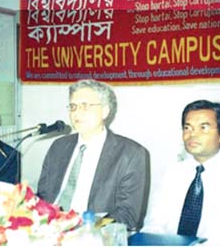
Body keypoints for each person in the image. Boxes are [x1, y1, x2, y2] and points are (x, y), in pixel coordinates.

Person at [37, 79, 150, 231]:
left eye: (85, 106)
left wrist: (81, 226)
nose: (77, 112)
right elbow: (42, 197)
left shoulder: (131, 154)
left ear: (105, 111)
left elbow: (128, 215)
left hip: (93, 234)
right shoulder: (58, 147)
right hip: (47, 232)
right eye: (73, 107)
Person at [143, 99, 220, 245]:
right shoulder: (172, 174)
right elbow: (153, 225)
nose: (193, 135)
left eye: (203, 128)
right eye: (188, 128)